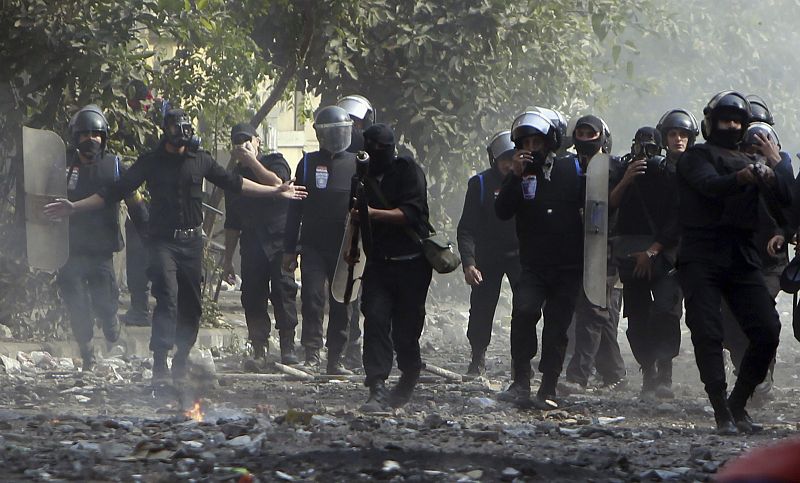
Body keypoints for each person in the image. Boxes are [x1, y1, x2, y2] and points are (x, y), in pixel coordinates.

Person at [44, 107, 306, 386]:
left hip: (192, 243)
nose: (182, 135)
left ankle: (181, 356)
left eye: (186, 129)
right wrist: (74, 207)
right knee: (167, 298)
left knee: (191, 306)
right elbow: (113, 192)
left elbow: (236, 183)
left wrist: (276, 189)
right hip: (163, 242)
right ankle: (160, 361)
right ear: (166, 131)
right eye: (176, 129)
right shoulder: (151, 162)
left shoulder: (201, 160)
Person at [676, 91, 791, 434]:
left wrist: (775, 168)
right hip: (701, 253)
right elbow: (708, 185)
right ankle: (720, 410)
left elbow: (786, 202)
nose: (731, 126)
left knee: (768, 331)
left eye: (737, 121)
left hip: (742, 255)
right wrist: (742, 177)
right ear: (711, 123)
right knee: (708, 332)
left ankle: (738, 404)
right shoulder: (696, 156)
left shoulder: (754, 161)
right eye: (725, 120)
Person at [494, 111, 584, 409]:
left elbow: (596, 206)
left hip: (568, 265)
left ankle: (548, 386)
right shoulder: (519, 176)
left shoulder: (573, 169)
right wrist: (514, 177)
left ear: (550, 142)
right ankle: (520, 381)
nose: (532, 148)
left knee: (557, 327)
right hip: (532, 263)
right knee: (523, 315)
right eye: (526, 143)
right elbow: (502, 211)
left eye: (537, 142)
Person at [355, 124, 433, 412]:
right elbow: (355, 217)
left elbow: (412, 214)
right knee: (374, 320)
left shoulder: (408, 171)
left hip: (412, 264)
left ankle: (410, 373)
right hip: (379, 264)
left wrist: (373, 213)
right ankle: (376, 386)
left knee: (405, 331)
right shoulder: (361, 176)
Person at [57, 104, 136, 371]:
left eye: (97, 134)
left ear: (104, 137)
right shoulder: (62, 165)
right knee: (77, 305)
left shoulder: (114, 166)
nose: (91, 139)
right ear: (75, 137)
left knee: (105, 304)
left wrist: (148, 226)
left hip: (101, 249)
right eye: (85, 134)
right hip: (69, 249)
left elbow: (133, 199)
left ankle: (112, 328)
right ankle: (87, 353)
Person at [720, 120, 792, 407]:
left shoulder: (782, 174)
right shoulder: (734, 174)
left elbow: (793, 206)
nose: (757, 155)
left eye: (762, 149)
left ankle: (763, 376)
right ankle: (747, 373)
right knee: (731, 321)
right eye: (751, 149)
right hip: (737, 259)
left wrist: (783, 233)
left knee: (761, 317)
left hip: (770, 263)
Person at [282, 105, 358, 375]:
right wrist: (289, 250)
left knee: (342, 301)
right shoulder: (308, 163)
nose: (337, 138)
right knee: (312, 298)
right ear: (321, 135)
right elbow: (295, 210)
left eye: (341, 132)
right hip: (313, 244)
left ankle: (335, 359)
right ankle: (312, 353)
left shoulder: (358, 163)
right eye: (331, 133)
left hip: (346, 247)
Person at [609, 126, 682, 400]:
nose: (646, 154)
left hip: (663, 253)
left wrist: (653, 251)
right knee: (637, 317)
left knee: (666, 311)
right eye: (642, 148)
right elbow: (608, 205)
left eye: (652, 148)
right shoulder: (622, 171)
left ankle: (665, 372)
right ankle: (648, 370)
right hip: (631, 252)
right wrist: (627, 179)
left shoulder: (669, 174)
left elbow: (677, 217)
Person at [223, 122, 300, 366]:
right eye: (238, 143)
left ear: (258, 141)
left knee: (284, 292)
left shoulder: (275, 160)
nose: (244, 146)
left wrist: (252, 161)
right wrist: (227, 260)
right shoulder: (234, 179)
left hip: (279, 243)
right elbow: (232, 222)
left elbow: (279, 184)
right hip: (252, 244)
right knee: (253, 297)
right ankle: (259, 347)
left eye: (248, 140)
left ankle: (288, 346)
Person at [562, 115, 627, 394]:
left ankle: (578, 376)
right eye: (582, 132)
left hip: (606, 249)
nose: (586, 138)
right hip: (577, 248)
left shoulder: (615, 169)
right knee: (598, 314)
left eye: (592, 133)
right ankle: (614, 372)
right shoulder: (569, 168)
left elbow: (606, 208)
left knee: (594, 312)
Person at [456, 130, 520, 376]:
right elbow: (466, 228)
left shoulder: (528, 181)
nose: (509, 164)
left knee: (524, 309)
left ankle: (521, 362)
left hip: (519, 255)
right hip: (487, 256)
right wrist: (469, 263)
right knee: (482, 308)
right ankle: (477, 357)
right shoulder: (480, 184)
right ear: (494, 160)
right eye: (504, 159)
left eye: (513, 158)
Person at [337, 94, 376, 369]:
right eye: (346, 122)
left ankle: (355, 347)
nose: (351, 128)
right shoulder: (330, 158)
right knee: (340, 291)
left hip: (366, 232)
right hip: (336, 230)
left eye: (355, 122)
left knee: (361, 291)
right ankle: (335, 350)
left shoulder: (374, 159)